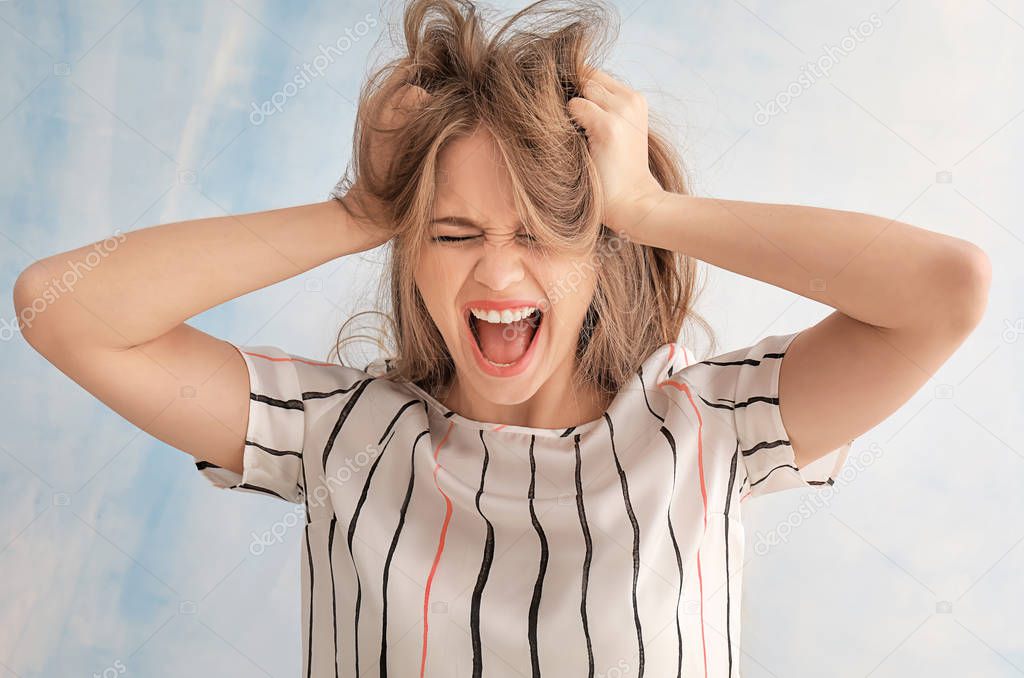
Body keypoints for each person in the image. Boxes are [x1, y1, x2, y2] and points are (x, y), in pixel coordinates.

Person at [13, 1, 990, 676]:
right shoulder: (338, 433)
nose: (496, 275)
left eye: (540, 233)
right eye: (453, 234)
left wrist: (650, 207)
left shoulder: (709, 425)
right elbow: (61, 308)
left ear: (602, 256)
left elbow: (945, 290)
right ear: (411, 255)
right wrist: (361, 205)